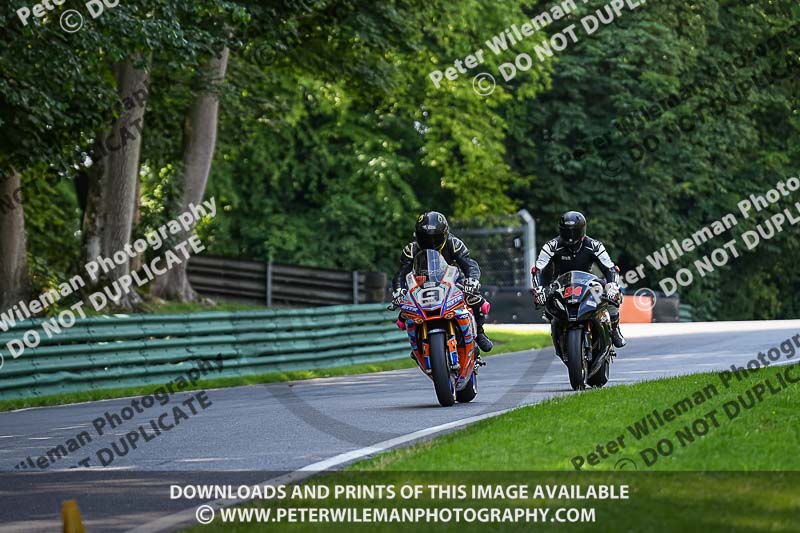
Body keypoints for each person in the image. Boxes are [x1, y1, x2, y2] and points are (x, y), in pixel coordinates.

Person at [391, 211, 493, 353]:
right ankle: (418, 343)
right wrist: (398, 290)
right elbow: (400, 274)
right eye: (425, 237)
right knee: (405, 312)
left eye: (435, 237)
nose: (430, 241)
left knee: (474, 298)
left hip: (453, 281)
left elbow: (470, 264)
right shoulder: (411, 250)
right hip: (422, 286)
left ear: (444, 234)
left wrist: (472, 280)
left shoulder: (454, 244)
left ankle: (480, 333)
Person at [531, 211, 627, 350]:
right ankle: (558, 332)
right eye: (567, 231)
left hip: (588, 282)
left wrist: (612, 285)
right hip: (560, 284)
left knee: (613, 294)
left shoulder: (594, 245)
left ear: (582, 230)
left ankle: (614, 328)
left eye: (574, 232)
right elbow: (538, 269)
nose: (570, 236)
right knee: (548, 309)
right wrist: (539, 289)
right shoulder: (551, 246)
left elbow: (610, 268)